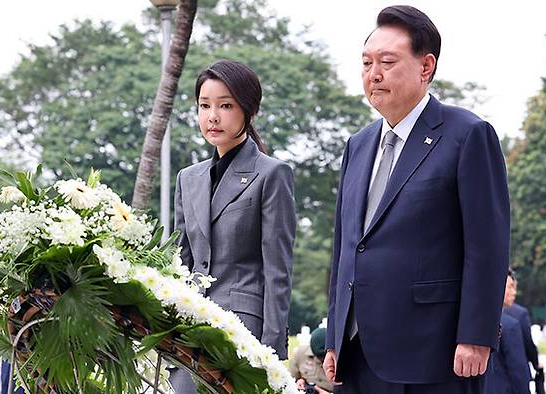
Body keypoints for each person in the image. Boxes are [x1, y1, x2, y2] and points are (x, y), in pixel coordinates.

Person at [323, 5, 509, 394]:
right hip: (358, 355)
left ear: (426, 67)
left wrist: (476, 334)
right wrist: (334, 337)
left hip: (434, 353)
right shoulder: (358, 145)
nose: (373, 74)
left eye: (387, 62)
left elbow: (487, 246)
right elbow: (346, 246)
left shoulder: (468, 135)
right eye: (366, 63)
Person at [172, 59, 296, 392]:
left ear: (248, 110)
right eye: (204, 105)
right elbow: (181, 263)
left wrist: (270, 352)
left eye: (225, 105)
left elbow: (277, 269)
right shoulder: (188, 178)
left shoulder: (271, 174)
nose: (212, 116)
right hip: (189, 331)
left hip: (243, 332)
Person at [485, 272, 531, 394]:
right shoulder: (510, 325)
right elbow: (518, 371)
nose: (514, 292)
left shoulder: (473, 323)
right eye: (510, 286)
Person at [502, 270, 543, 390]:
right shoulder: (514, 320)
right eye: (511, 287)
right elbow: (517, 365)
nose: (514, 293)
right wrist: (536, 364)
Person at [289, 327, 334, 393]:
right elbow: (289, 380)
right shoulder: (301, 354)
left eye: (324, 357)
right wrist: (300, 381)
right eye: (319, 356)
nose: (322, 360)